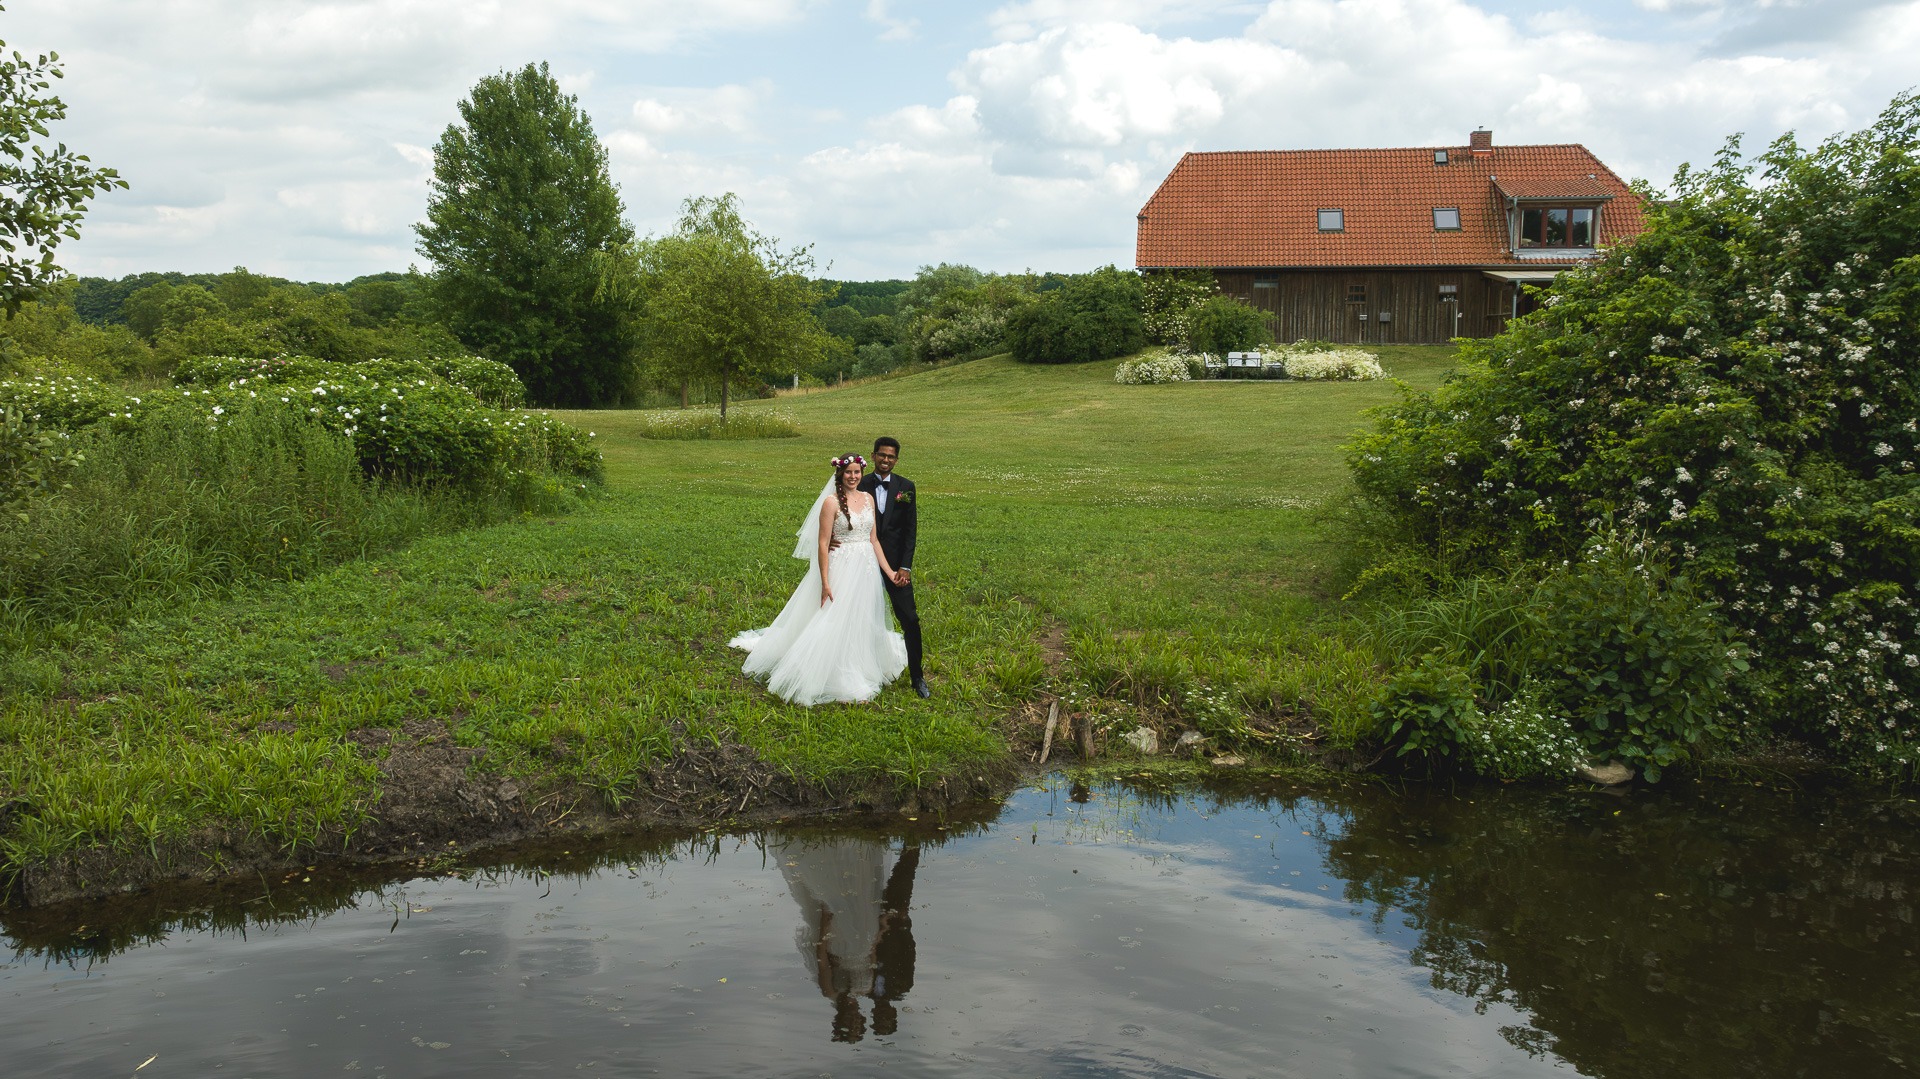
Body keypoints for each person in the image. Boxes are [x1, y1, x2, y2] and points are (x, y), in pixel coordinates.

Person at [729, 454, 908, 706]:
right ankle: (838, 671)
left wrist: (889, 572)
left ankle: (862, 660)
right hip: (841, 567)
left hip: (865, 568)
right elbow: (823, 544)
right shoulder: (830, 503)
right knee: (835, 617)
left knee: (861, 615)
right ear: (840, 474)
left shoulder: (867, 499)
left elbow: (874, 540)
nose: (853, 477)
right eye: (849, 473)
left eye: (857, 472)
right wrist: (825, 582)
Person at [858, 437, 930, 698]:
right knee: (860, 617)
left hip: (896, 567)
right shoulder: (859, 482)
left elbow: (910, 531)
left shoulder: (906, 487)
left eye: (891, 456)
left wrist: (905, 567)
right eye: (881, 455)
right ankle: (858, 671)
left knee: (910, 619)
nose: (886, 460)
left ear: (897, 459)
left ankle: (917, 677)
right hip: (863, 562)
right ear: (873, 456)